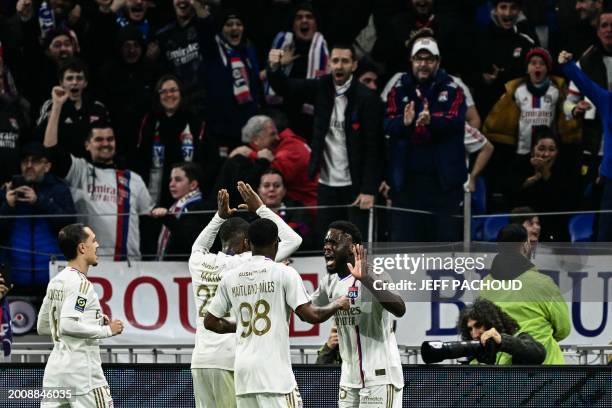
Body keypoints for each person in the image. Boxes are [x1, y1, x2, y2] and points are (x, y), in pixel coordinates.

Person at [204, 217, 349, 408]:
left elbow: (211, 322)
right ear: (276, 243)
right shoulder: (284, 273)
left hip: (243, 376)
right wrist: (337, 304)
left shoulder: (230, 278)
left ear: (248, 243)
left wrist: (242, 323)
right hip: (274, 377)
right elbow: (310, 316)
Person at [189, 181, 303, 408]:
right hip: (229, 358)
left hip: (201, 360)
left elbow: (198, 246)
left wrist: (219, 217)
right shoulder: (242, 265)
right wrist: (260, 207)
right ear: (246, 242)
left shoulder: (199, 261)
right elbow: (293, 240)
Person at [268, 43, 383, 239]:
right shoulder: (321, 87)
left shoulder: (367, 98)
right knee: (329, 241)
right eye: (335, 61)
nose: (339, 66)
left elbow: (375, 148)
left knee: (356, 244)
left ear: (354, 65)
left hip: (356, 187)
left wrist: (369, 189)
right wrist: (274, 67)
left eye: (345, 61)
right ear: (329, 63)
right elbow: (286, 88)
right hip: (326, 184)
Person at [43, 86, 153, 260]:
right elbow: (51, 150)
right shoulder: (80, 171)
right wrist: (57, 106)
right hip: (90, 264)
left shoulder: (134, 179)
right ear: (87, 145)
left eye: (110, 139)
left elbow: (148, 223)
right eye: (99, 139)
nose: (106, 143)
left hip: (129, 267)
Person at [384, 32, 467, 241]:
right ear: (411, 61)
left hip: (444, 185)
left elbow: (456, 121)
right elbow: (386, 123)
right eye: (419, 59)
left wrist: (432, 121)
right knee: (405, 247)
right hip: (407, 184)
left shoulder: (453, 88)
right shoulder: (398, 88)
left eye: (429, 59)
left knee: (444, 247)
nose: (424, 64)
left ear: (437, 61)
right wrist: (404, 122)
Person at [312, 221, 405, 407]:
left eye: (333, 242)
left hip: (379, 376)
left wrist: (366, 280)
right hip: (348, 377)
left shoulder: (375, 273)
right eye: (325, 243)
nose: (327, 247)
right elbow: (308, 311)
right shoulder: (328, 282)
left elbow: (400, 308)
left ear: (352, 248)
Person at [37, 223, 124, 407]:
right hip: (83, 375)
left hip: (56, 373)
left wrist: (92, 321)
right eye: (93, 240)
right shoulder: (81, 284)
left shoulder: (57, 281)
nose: (97, 244)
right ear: (82, 247)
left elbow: (43, 327)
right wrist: (107, 330)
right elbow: (67, 326)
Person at [480, 223, 571, 364]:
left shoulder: (485, 284)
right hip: (547, 370)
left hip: (506, 373)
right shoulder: (542, 283)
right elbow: (564, 328)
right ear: (524, 246)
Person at [0, 143, 76, 295]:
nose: (29, 165)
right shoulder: (8, 190)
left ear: (47, 166)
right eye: (25, 161)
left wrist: (39, 201)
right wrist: (7, 206)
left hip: (53, 279)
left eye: (35, 161)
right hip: (14, 280)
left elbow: (69, 226)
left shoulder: (59, 190)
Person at [137, 74, 218, 207]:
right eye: (164, 91)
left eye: (173, 90)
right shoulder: (150, 121)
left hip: (189, 193)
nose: (169, 95)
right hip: (156, 193)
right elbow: (140, 156)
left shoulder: (195, 120)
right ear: (158, 96)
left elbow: (210, 158)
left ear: (181, 93)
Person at [559, 46, 612, 241]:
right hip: (611, 181)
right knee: (605, 236)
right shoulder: (608, 100)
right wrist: (568, 65)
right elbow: (585, 84)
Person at [506, 128, 579, 241]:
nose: (546, 154)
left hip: (556, 230)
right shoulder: (519, 166)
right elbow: (510, 198)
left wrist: (545, 173)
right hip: (524, 230)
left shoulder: (565, 169)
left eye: (551, 149)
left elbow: (565, 204)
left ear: (557, 152)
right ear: (532, 150)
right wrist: (530, 182)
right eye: (541, 149)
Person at [229, 114, 317, 207]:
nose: (277, 138)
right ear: (256, 140)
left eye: (276, 133)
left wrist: (253, 154)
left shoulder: (292, 147)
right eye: (272, 134)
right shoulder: (289, 144)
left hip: (307, 209)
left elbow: (274, 174)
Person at [36, 58, 110, 159]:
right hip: (61, 168)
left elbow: (108, 142)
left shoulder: (98, 108)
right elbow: (41, 141)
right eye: (69, 78)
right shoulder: (50, 105)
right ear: (61, 83)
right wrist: (57, 107)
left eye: (79, 78)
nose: (75, 82)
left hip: (92, 167)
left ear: (85, 83)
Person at [458, 297, 546, 365]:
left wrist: (502, 341)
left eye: (478, 325)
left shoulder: (519, 338)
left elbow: (538, 354)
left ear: (490, 322)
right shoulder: (474, 354)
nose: (475, 334)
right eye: (470, 329)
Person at [150, 162, 208, 261]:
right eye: (171, 180)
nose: (171, 184)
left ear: (193, 184)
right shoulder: (177, 206)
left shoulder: (198, 207)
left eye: (178, 180)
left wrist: (167, 218)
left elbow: (188, 242)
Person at [257, 168, 315, 249]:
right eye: (266, 186)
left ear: (284, 191)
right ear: (259, 191)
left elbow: (307, 241)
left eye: (277, 186)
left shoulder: (299, 212)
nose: (271, 189)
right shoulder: (251, 214)